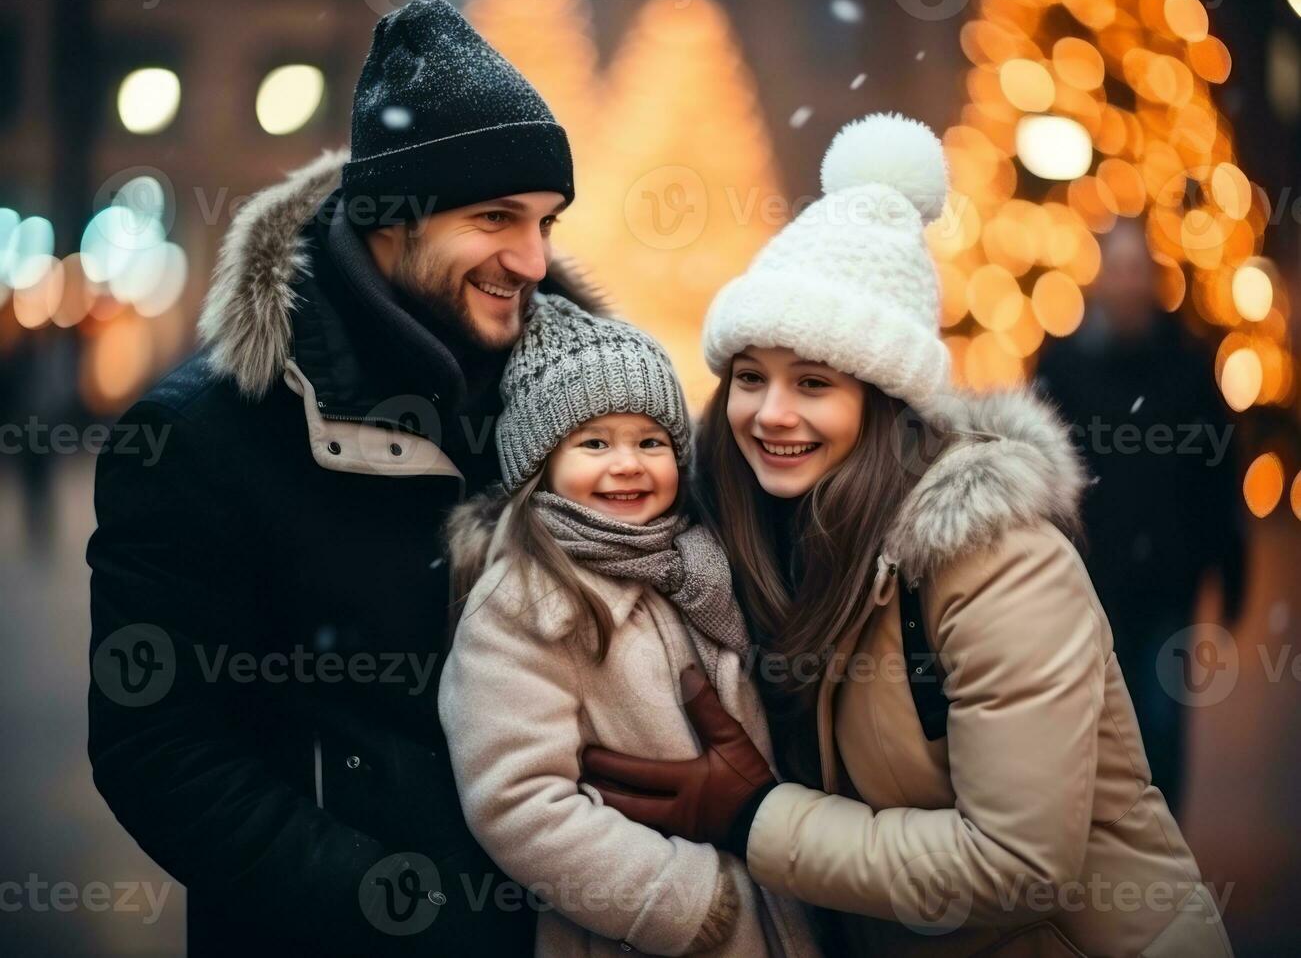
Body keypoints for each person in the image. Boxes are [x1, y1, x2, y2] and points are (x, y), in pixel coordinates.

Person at [580, 114, 1235, 956]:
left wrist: (755, 818)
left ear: (881, 403)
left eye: (812, 381)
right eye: (750, 377)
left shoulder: (995, 564)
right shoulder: (763, 538)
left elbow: (1016, 862)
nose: (770, 413)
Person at [86, 0, 604, 956]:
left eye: (545, 221)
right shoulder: (201, 439)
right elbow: (160, 753)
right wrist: (409, 912)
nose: (533, 260)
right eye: (495, 217)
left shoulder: (584, 412)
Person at [438, 296, 819, 956]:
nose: (627, 464)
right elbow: (517, 802)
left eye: (651, 442)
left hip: (775, 908)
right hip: (652, 930)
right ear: (540, 465)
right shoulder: (524, 602)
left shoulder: (696, 563)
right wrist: (678, 900)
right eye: (593, 443)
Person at [1036, 217, 1246, 819]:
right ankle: (1115, 855)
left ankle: (1164, 849)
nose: (1128, 283)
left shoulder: (1188, 365)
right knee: (1100, 725)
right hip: (1091, 585)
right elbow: (1041, 472)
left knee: (1160, 721)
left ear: (1152, 280)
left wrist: (1229, 566)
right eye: (1117, 268)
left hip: (1171, 582)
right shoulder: (1063, 366)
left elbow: (1218, 473)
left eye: (1138, 269)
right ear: (1099, 279)